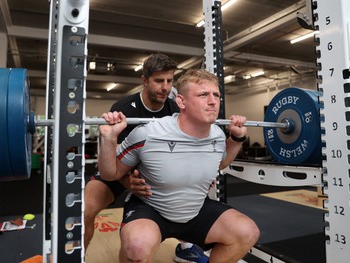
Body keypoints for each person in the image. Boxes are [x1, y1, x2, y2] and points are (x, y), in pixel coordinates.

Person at [97, 69, 260, 263]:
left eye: (216, 95)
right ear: (181, 102)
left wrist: (236, 138)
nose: (212, 101)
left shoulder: (217, 134)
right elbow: (110, 174)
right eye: (203, 95)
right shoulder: (148, 134)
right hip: (152, 209)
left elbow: (221, 162)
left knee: (247, 232)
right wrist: (108, 139)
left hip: (195, 209)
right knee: (137, 247)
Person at [84, 54, 209, 262]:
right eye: (159, 81)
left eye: (169, 81)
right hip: (120, 169)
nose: (165, 87)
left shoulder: (175, 110)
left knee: (195, 189)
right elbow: (114, 161)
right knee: (85, 208)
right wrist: (127, 183)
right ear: (144, 80)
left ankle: (186, 247)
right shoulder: (123, 108)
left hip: (153, 173)